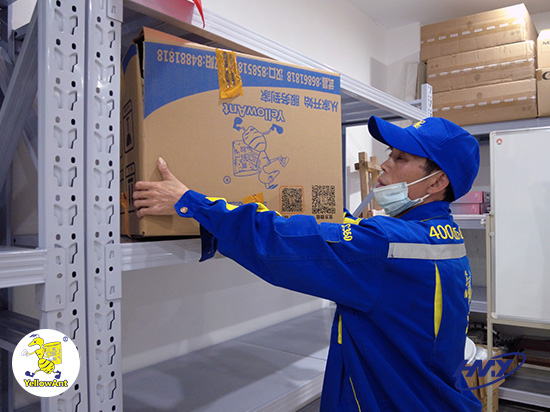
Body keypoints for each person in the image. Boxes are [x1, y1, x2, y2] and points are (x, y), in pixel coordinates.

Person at [133, 116, 482, 412]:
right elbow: (360, 245)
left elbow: (282, 243)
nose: (386, 164)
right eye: (390, 153)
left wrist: (191, 203)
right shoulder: (444, 237)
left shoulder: (387, 246)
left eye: (402, 157)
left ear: (437, 181)